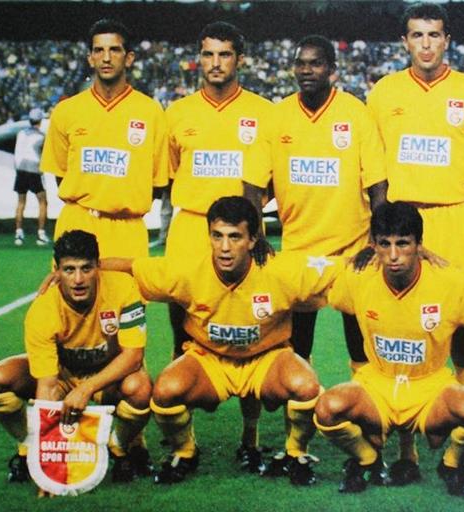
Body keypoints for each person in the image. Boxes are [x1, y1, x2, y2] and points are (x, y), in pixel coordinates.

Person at [100, 196, 341, 485]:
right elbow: (130, 266)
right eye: (217, 236)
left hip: (265, 358)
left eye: (235, 237)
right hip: (210, 359)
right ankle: (185, 452)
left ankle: (295, 453)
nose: (225, 247)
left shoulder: (281, 268)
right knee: (165, 391)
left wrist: (376, 258)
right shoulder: (188, 270)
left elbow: (342, 268)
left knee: (306, 385)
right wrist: (80, 268)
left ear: (252, 240)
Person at [366, 1, 464, 474]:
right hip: (402, 226)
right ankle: (407, 452)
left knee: (462, 336)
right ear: (405, 41)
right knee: (402, 331)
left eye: (434, 35)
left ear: (447, 40)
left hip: (455, 220)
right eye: (417, 35)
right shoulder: (383, 92)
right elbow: (374, 167)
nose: (426, 44)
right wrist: (381, 228)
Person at [315, 202, 464, 497]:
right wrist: (349, 261)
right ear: (373, 245)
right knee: (327, 408)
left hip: (429, 387)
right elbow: (324, 284)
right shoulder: (358, 277)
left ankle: (450, 465)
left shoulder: (448, 282)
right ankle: (367, 460)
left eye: (403, 244)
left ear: (420, 245)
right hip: (378, 385)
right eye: (384, 244)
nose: (394, 255)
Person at [164, 23, 275, 470]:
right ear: (199, 58)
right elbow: (171, 174)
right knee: (181, 336)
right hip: (190, 228)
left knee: (251, 336)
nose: (215, 63)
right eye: (208, 54)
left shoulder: (264, 113)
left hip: (242, 235)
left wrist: (254, 227)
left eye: (224, 54)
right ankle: (182, 441)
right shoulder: (177, 113)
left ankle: (250, 438)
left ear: (239, 59)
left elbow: (271, 179)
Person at [245, 34, 386, 369]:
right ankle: (303, 403)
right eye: (300, 63)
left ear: (332, 70)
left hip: (352, 251)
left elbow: (379, 186)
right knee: (297, 346)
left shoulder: (356, 113)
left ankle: (364, 400)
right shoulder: (277, 117)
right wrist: (257, 235)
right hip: (298, 251)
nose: (306, 70)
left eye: (316, 63)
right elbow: (252, 185)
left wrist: (375, 242)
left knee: (361, 347)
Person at [0, 230, 152, 484]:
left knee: (140, 388)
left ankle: (118, 447)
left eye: (86, 268)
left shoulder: (123, 288)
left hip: (106, 377)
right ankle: (29, 445)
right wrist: (46, 456)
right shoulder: (42, 310)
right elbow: (47, 384)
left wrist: (86, 388)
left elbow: (133, 357)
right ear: (56, 270)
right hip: (62, 375)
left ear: (98, 266)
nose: (78, 279)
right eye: (69, 269)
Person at [39, 18, 168, 259]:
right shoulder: (66, 111)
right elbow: (60, 174)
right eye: (99, 50)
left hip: (128, 229)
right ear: (90, 58)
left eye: (114, 50)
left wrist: (121, 207)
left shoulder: (151, 112)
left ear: (129, 58)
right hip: (77, 223)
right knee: (72, 284)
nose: (106, 58)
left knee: (130, 287)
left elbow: (157, 183)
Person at [13, 107, 50, 247]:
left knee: (21, 202)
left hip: (21, 170)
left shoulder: (21, 133)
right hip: (34, 170)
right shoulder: (42, 136)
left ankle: (18, 234)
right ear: (40, 121)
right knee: (43, 202)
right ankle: (41, 235)